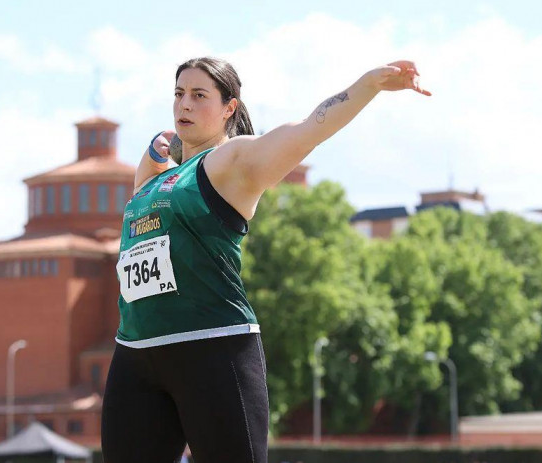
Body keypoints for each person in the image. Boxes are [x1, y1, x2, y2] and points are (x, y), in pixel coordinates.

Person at [101, 57, 430, 463]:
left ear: (229, 109)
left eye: (199, 95)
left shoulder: (231, 163)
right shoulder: (157, 183)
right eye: (179, 94)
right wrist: (157, 147)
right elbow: (148, 171)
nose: (184, 104)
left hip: (211, 349)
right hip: (135, 354)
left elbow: (312, 129)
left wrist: (368, 85)